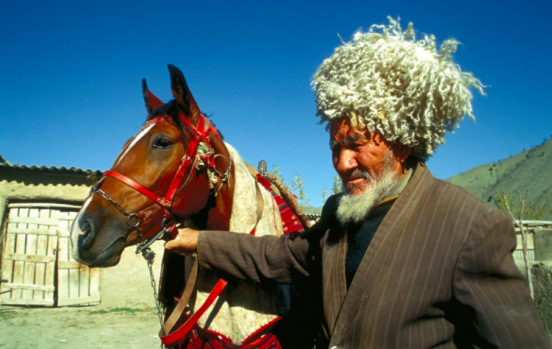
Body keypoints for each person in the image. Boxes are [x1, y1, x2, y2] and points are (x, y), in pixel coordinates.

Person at [165, 18, 551, 348]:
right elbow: (279, 256)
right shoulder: (339, 216)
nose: (342, 163)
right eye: (335, 146)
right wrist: (199, 241)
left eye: (357, 144)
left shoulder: (471, 228)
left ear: (405, 141)